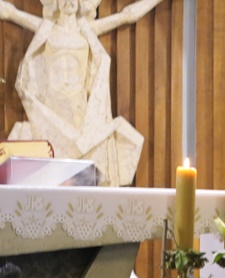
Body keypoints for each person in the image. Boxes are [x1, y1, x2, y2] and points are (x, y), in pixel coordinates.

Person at [0, 0, 166, 186]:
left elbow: (127, 16)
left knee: (83, 152)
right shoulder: (46, 28)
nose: (69, 2)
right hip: (52, 104)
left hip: (77, 103)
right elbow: (11, 13)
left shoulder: (87, 29)